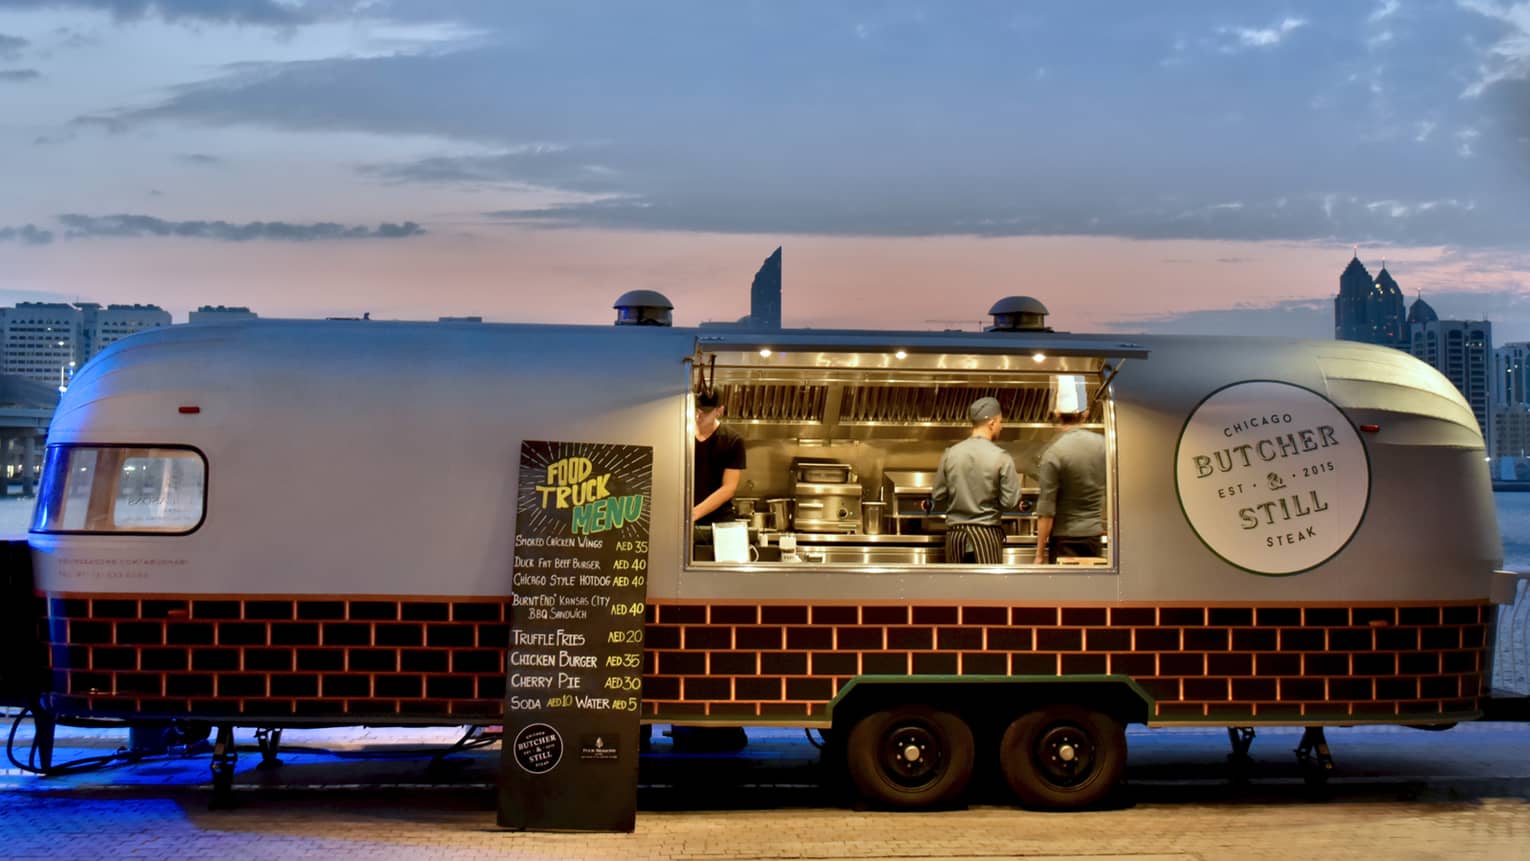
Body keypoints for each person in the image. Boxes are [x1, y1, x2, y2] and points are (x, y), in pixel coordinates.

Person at [932, 396, 1021, 564]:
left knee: (957, 589)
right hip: (987, 535)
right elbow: (1010, 502)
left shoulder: (950, 454)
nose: (1001, 427)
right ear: (992, 422)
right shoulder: (1001, 457)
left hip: (956, 537)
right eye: (1000, 422)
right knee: (987, 589)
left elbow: (938, 496)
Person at [1033, 394, 1106, 564]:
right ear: (1086, 413)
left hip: (1064, 540)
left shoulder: (1053, 452)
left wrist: (1039, 553)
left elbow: (1046, 509)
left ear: (1057, 414)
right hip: (1093, 538)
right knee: (1093, 590)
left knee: (1064, 591)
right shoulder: (1103, 445)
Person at [692, 388, 746, 526]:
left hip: (719, 520)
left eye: (705, 412)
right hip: (682, 518)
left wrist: (693, 514)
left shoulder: (732, 440)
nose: (699, 415)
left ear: (719, 411)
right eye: (696, 409)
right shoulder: (682, 437)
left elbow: (728, 488)